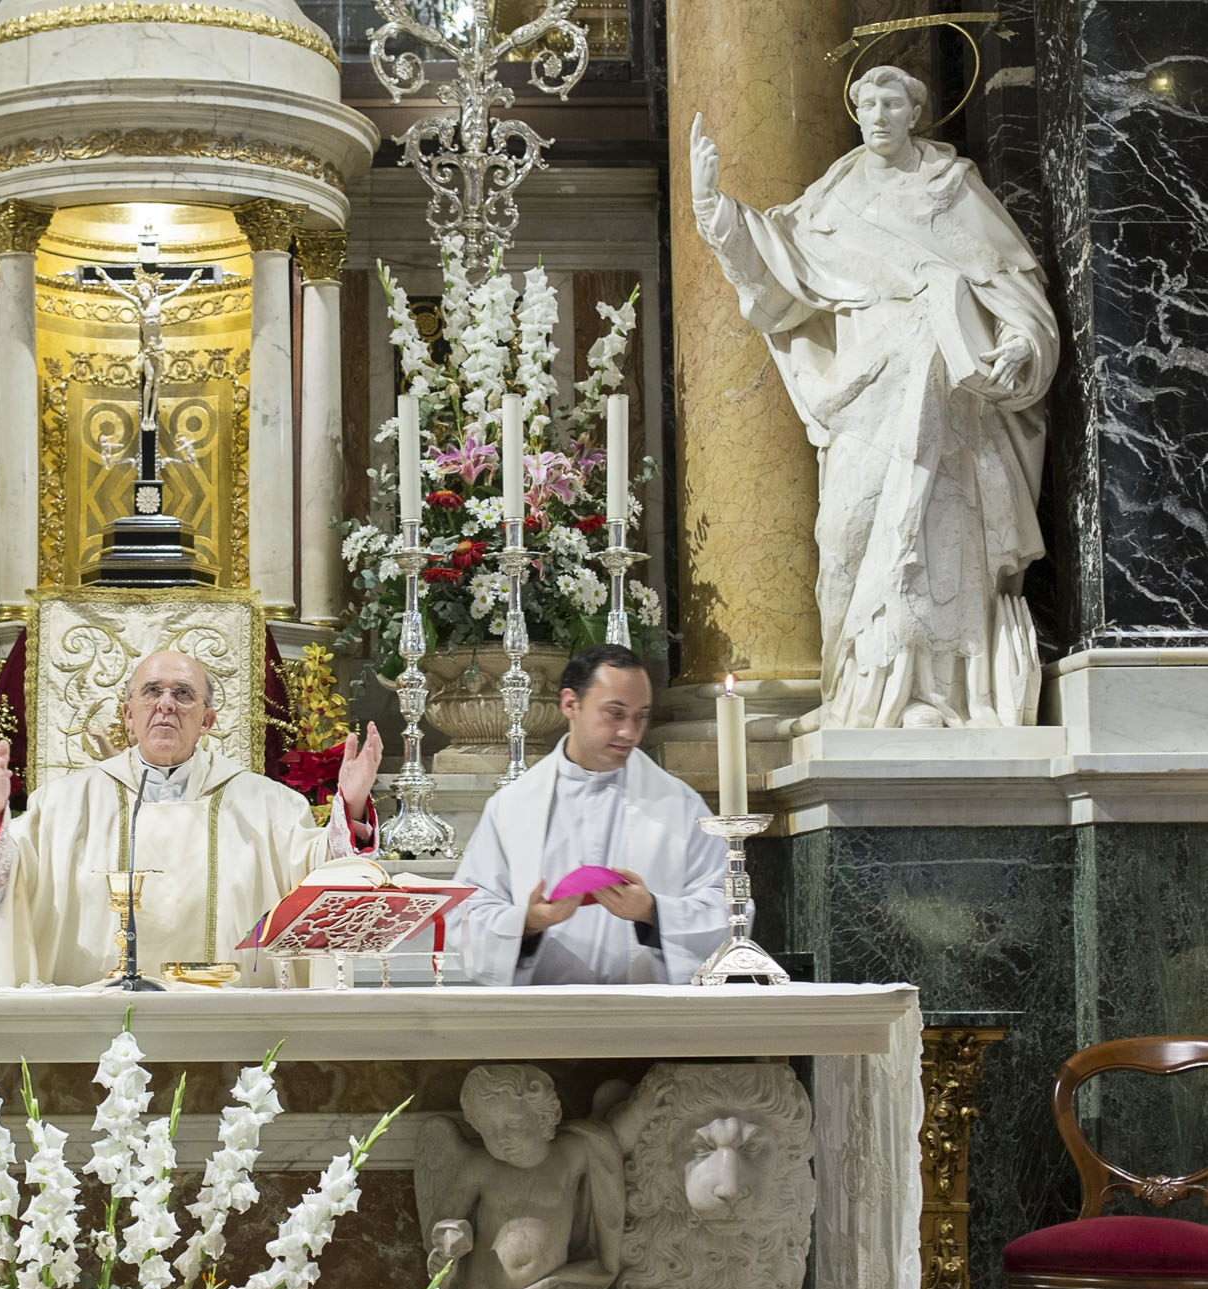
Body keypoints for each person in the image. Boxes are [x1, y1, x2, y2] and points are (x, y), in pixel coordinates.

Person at [690, 65, 1059, 729]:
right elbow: (777, 274)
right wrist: (714, 210)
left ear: (915, 111)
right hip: (864, 393)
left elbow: (1014, 286)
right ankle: (856, 690)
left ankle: (934, 693)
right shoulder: (834, 198)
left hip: (946, 398)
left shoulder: (952, 189)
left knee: (937, 535)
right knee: (844, 534)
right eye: (868, 103)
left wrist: (1018, 342)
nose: (879, 115)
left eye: (893, 102)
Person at [0, 648, 384, 986]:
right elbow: (0, 889)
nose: (166, 705)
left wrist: (353, 804)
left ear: (207, 720)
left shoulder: (269, 806)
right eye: (151, 692)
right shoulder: (63, 804)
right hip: (95, 1020)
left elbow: (327, 882)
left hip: (233, 1022)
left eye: (183, 694)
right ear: (128, 715)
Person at [450, 645, 729, 984]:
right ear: (570, 704)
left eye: (640, 716)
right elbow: (467, 916)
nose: (630, 732)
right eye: (615, 714)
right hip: (545, 1019)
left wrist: (652, 911)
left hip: (648, 1019)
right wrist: (529, 921)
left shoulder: (679, 804)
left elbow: (727, 907)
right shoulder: (512, 806)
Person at [417, 1065, 647, 1289]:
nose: (501, 1138)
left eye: (511, 1124)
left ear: (543, 1116)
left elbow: (615, 1140)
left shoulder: (572, 1154)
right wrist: (449, 1239)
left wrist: (651, 1100)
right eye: (488, 1130)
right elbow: (444, 1220)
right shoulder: (479, 1167)